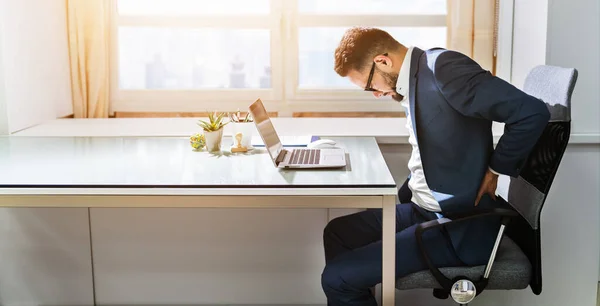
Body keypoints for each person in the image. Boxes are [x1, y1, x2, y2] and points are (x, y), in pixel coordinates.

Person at [322, 27, 550, 305]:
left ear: (382, 61)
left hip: (456, 226)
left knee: (337, 278)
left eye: (371, 86)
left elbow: (532, 112)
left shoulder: (444, 68)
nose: (376, 94)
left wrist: (495, 169)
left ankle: (347, 287)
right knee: (338, 232)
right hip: (422, 210)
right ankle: (353, 291)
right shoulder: (414, 81)